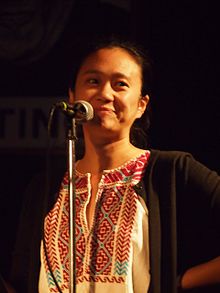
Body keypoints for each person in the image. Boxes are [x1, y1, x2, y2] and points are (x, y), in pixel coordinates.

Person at [9, 37, 220, 293]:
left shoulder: (171, 170)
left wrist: (177, 283)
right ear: (73, 96)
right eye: (93, 81)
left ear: (141, 105)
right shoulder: (46, 186)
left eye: (120, 84)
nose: (105, 94)